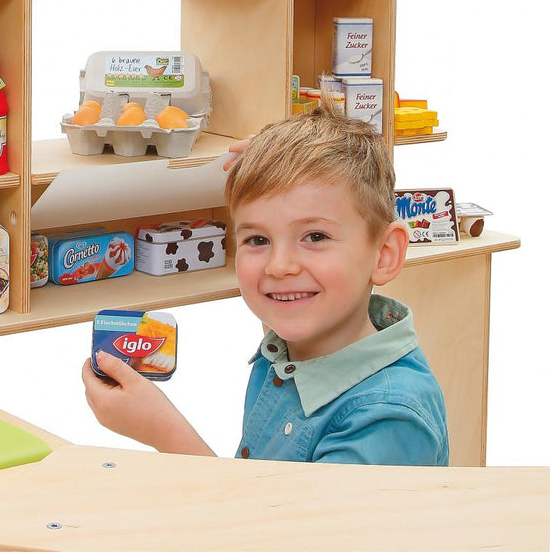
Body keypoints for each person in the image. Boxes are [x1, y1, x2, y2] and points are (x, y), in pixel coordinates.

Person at [82, 102, 449, 465]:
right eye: (258, 240)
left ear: (384, 254)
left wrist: (164, 432)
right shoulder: (299, 338)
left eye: (316, 236)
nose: (279, 267)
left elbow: (283, 527)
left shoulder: (387, 418)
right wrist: (271, 155)